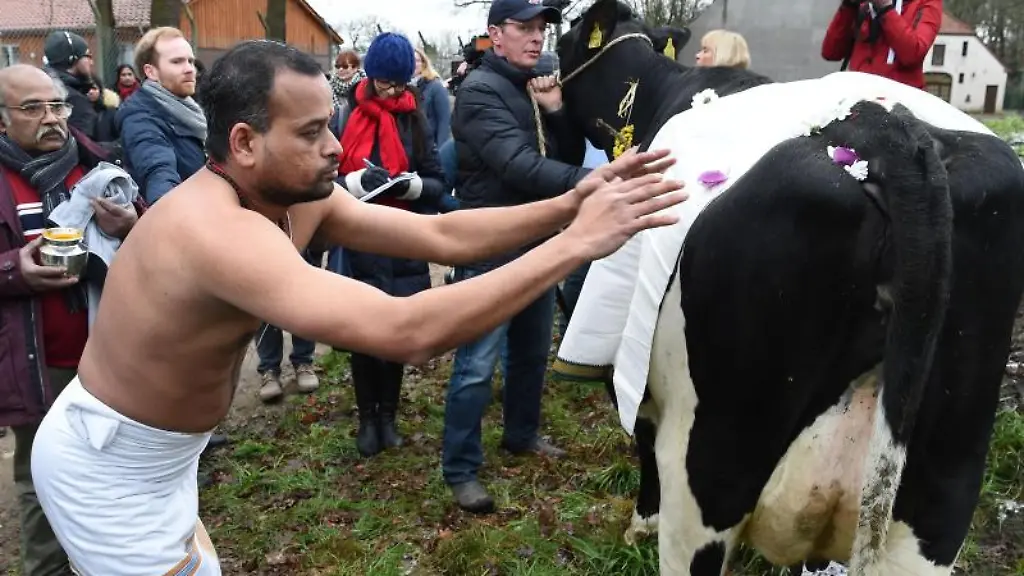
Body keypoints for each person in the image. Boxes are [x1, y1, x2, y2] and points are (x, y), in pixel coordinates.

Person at [28, 39, 684, 574]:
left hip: (168, 457)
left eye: (330, 127)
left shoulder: (294, 194)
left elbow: (442, 233)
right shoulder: (213, 232)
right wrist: (578, 243)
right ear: (245, 143)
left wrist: (571, 202)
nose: (335, 148)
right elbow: (407, 329)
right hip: (110, 467)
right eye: (312, 132)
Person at [441, 0, 592, 513]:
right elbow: (519, 166)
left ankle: (521, 434)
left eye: (541, 30)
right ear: (494, 34)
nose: (535, 38)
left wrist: (556, 112)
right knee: (477, 363)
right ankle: (460, 468)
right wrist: (593, 184)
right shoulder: (481, 91)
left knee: (529, 351)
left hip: (536, 239)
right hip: (490, 244)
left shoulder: (531, 87)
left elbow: (564, 155)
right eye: (523, 28)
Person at [0, 64, 141, 576]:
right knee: (40, 478)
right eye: (32, 108)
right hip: (37, 361)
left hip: (108, 352)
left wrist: (132, 224)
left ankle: (108, 562)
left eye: (56, 106)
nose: (51, 118)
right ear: (3, 119)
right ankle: (49, 569)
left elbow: (151, 245)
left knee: (112, 468)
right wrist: (16, 269)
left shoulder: (96, 165)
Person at [336, 32, 459, 457]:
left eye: (400, 83)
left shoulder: (414, 116)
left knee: (396, 333)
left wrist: (412, 187)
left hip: (402, 238)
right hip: (357, 239)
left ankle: (388, 416)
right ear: (371, 77)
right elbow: (320, 180)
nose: (394, 91)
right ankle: (367, 418)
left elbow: (437, 179)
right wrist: (350, 182)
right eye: (387, 82)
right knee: (363, 335)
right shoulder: (343, 115)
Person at [117, 27, 206, 204]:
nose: (189, 69)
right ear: (151, 72)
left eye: (190, 61)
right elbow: (158, 169)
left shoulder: (190, 109)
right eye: (177, 62)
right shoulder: (139, 117)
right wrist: (166, 207)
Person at [821, 0, 943, 90]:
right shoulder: (864, 5)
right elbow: (831, 52)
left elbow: (913, 54)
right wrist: (849, 5)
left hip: (900, 108)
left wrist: (885, 8)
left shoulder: (926, 3)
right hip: (857, 104)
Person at [41, 31, 98, 141]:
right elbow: (86, 148)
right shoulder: (73, 99)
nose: (91, 62)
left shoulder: (43, 87)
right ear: (73, 58)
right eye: (88, 56)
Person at [412, 46, 452, 146]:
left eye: (417, 60)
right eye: (410, 60)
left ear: (424, 63)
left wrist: (440, 153)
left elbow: (444, 122)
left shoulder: (436, 87)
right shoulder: (403, 88)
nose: (413, 64)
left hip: (431, 149)